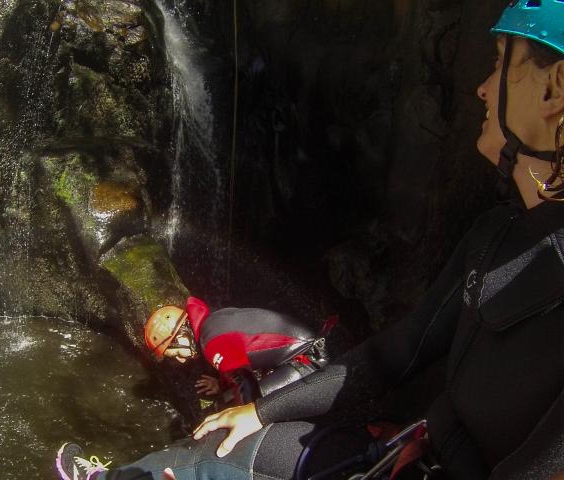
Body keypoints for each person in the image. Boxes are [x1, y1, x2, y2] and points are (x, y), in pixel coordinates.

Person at [55, 2, 564, 479]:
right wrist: (259, 412)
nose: (481, 87)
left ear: (553, 89)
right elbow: (393, 354)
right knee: (205, 454)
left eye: (500, 63)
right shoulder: (495, 234)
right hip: (415, 451)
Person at [144, 297, 330, 405]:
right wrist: (222, 383)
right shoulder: (214, 321)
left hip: (310, 361)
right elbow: (239, 362)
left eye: (176, 353)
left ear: (181, 335)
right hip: (307, 349)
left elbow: (246, 387)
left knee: (227, 407)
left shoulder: (212, 343)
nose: (181, 360)